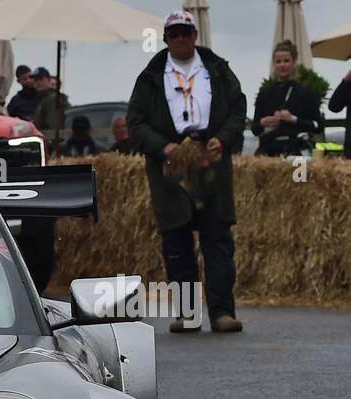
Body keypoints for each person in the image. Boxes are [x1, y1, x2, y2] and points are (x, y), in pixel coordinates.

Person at [127, 10, 247, 334]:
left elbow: (239, 108)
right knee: (177, 241)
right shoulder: (150, 77)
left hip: (211, 161)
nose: (181, 38)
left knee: (218, 239)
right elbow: (135, 122)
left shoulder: (218, 70)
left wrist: (222, 139)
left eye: (186, 32)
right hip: (170, 165)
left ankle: (222, 312)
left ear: (195, 36)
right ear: (166, 38)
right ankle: (188, 313)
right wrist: (163, 147)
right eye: (174, 33)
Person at [252, 40, 322, 157]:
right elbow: (255, 129)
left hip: (298, 151)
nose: (282, 65)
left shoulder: (306, 92)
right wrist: (263, 122)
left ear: (294, 62)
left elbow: (318, 126)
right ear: (273, 64)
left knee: (298, 176)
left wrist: (293, 119)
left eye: (286, 61)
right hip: (270, 150)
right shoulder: (265, 93)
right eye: (278, 62)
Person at [31, 68, 71, 145]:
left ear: (49, 80)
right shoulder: (42, 100)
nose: (37, 82)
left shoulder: (52, 99)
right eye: (35, 80)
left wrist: (51, 145)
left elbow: (54, 127)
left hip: (50, 145)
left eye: (41, 79)